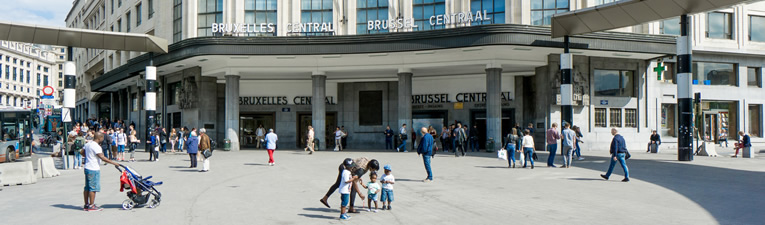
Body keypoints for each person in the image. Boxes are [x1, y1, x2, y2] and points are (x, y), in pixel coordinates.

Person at [82, 132, 120, 211]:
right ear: (100, 138)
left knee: (87, 187)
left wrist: (89, 157)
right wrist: (113, 163)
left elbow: (81, 152)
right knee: (93, 188)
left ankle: (86, 204)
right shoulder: (96, 146)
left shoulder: (88, 144)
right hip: (93, 168)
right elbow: (102, 157)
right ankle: (92, 205)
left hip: (87, 167)